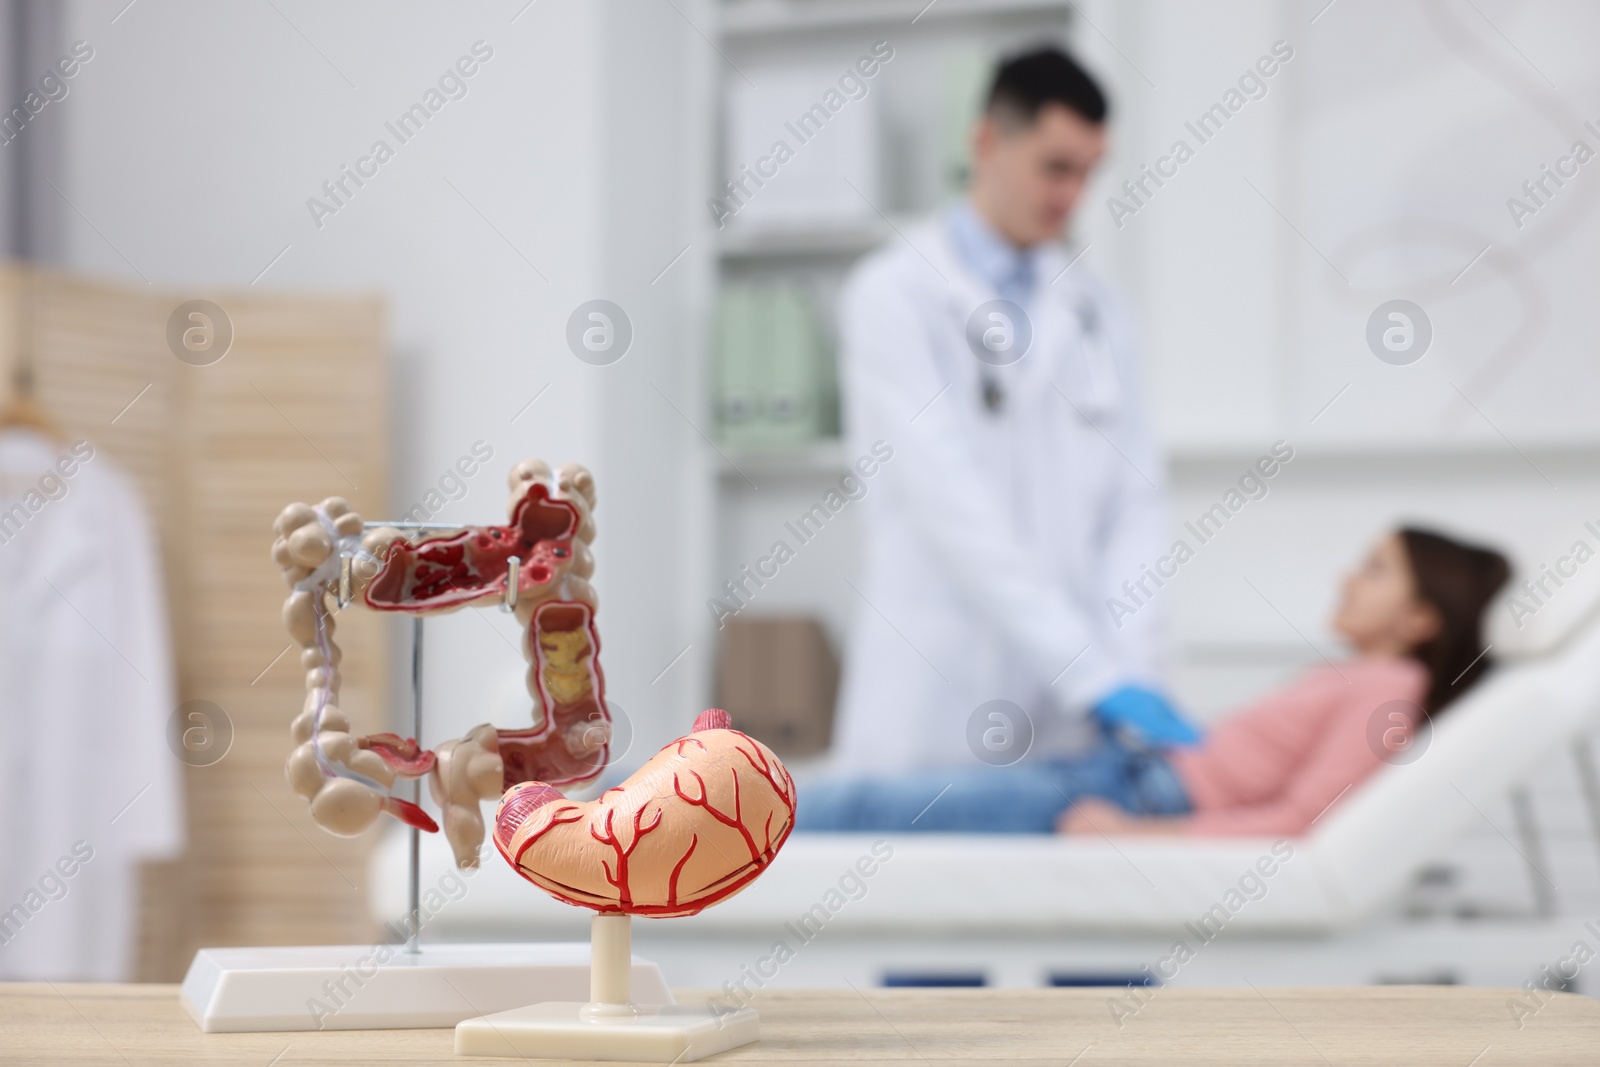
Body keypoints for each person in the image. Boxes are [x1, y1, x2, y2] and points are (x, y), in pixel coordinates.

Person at [831, 46, 1197, 775]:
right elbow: (953, 505)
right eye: (1056, 167)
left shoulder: (1097, 310)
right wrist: (1091, 671)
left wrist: (1131, 668)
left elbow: (1135, 499)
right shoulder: (895, 294)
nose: (1072, 193)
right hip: (937, 692)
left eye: (1089, 172)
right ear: (986, 143)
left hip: (1066, 714)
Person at [797, 527, 1510, 837]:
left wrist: (1135, 834)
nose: (1347, 578)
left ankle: (705, 823)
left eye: (1375, 569)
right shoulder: (1367, 679)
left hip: (1133, 793)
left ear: (1421, 617)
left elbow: (1300, 820)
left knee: (870, 806)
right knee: (877, 804)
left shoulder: (1387, 688)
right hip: (1130, 773)